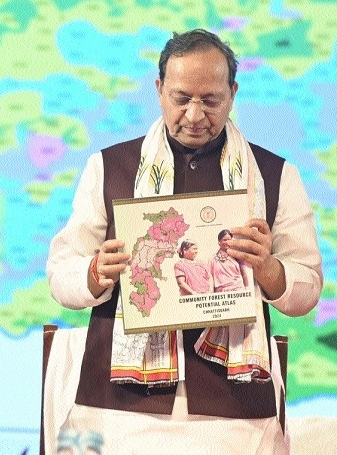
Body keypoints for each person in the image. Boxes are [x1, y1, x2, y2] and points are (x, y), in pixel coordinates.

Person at [46, 29, 322, 453]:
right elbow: (61, 276)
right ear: (159, 90)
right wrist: (94, 272)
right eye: (181, 98)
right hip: (118, 403)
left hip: (234, 408)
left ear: (233, 93)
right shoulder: (109, 166)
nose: (194, 115)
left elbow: (306, 291)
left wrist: (267, 269)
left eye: (210, 100)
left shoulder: (273, 174)